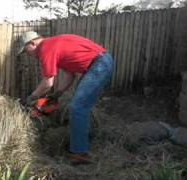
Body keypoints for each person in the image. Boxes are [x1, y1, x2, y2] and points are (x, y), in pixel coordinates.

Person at [18, 31, 115, 164]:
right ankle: (81, 145)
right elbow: (70, 75)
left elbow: (47, 82)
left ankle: (79, 154)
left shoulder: (45, 48)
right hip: (101, 62)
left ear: (33, 43)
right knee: (79, 106)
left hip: (100, 64)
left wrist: (31, 97)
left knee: (77, 107)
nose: (27, 54)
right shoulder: (53, 45)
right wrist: (57, 94)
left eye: (26, 50)